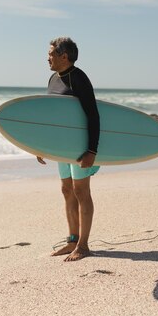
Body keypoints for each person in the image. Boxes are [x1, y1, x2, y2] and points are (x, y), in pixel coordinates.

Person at [37, 37, 100, 262]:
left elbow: (93, 115)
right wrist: (41, 146)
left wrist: (91, 150)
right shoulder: (53, 79)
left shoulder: (79, 78)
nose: (47, 57)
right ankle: (72, 240)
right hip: (62, 147)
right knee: (66, 190)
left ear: (64, 56)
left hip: (80, 145)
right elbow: (52, 116)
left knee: (81, 191)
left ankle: (83, 245)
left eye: (51, 53)